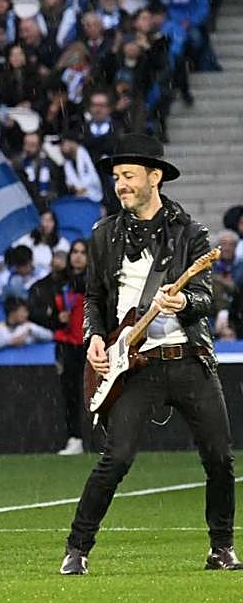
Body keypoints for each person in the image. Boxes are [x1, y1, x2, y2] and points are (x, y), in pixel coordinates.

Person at [62, 134, 238, 575]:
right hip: (132, 364)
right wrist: (95, 339)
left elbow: (207, 297)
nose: (120, 184)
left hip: (188, 358)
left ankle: (221, 548)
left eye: (128, 176)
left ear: (154, 177)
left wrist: (184, 303)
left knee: (219, 457)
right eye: (117, 177)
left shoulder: (190, 233)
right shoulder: (103, 234)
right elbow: (95, 299)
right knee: (116, 458)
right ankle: (77, 550)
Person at [29, 241, 89, 455]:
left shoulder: (94, 280)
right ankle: (75, 438)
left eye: (83, 252)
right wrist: (56, 317)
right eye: (75, 252)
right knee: (70, 393)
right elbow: (38, 313)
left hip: (91, 343)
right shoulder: (58, 283)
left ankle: (102, 437)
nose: (78, 256)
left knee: (98, 391)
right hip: (66, 343)